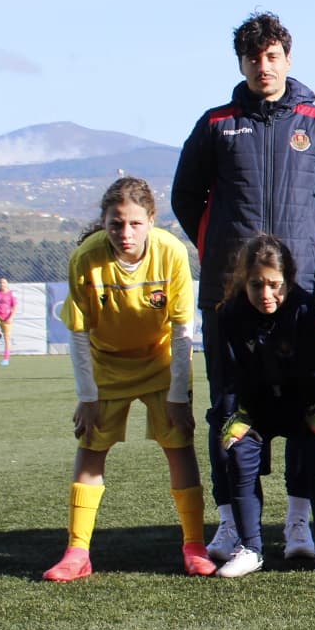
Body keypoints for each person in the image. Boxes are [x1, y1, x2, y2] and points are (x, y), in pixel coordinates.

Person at [173, 11, 315, 558]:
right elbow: (187, 199)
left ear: (288, 58)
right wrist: (224, 255)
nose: (263, 66)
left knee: (307, 405)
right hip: (230, 297)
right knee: (227, 406)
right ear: (242, 64)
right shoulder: (216, 124)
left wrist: (304, 248)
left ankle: (299, 525)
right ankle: (231, 524)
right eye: (253, 58)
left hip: (295, 295)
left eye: (272, 55)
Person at [43, 178, 214, 581]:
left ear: (151, 220)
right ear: (104, 222)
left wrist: (177, 396)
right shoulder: (85, 257)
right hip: (106, 366)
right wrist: (87, 396)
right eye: (116, 224)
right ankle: (77, 552)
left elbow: (182, 329)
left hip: (160, 363)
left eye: (135, 224)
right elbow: (79, 334)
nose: (125, 233)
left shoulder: (171, 253)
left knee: (179, 446)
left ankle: (194, 546)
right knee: (90, 449)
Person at [212, 235, 315, 577]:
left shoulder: (302, 306)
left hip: (300, 404)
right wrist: (230, 421)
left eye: (275, 285)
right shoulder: (229, 314)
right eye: (257, 285)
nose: (267, 294)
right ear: (245, 281)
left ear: (287, 280)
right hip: (255, 409)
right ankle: (251, 548)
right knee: (238, 456)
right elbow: (226, 376)